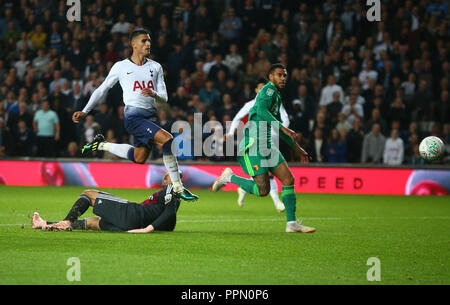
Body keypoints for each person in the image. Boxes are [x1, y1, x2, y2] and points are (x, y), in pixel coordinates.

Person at [72, 29, 197, 201]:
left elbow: (165, 97)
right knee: (168, 140)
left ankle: (101, 145)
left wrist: (154, 94)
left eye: (149, 41)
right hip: (132, 116)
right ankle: (177, 187)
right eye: (144, 41)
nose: (148, 44)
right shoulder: (121, 66)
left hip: (150, 117)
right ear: (134, 44)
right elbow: (102, 89)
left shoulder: (156, 67)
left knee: (139, 158)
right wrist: (85, 110)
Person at [213, 64, 315, 233]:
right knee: (263, 190)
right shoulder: (268, 91)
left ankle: (291, 224)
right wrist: (283, 128)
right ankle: (229, 177)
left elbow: (276, 126)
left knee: (288, 180)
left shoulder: (276, 96)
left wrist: (297, 148)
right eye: (279, 75)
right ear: (270, 76)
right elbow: (261, 110)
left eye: (285, 75)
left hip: (268, 145)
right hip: (254, 145)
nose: (283, 78)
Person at [32, 171, 183, 233]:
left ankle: (66, 222)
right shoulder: (171, 197)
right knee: (93, 222)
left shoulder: (173, 189)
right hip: (131, 225)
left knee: (88, 194)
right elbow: (170, 221)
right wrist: (149, 227)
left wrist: (148, 229)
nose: (168, 177)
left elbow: (169, 212)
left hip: (133, 214)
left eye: (174, 175)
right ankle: (46, 224)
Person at [225, 79, 288, 212]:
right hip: (255, 142)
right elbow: (237, 118)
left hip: (271, 141)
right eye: (260, 88)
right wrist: (230, 133)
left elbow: (285, 118)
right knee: (267, 172)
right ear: (256, 90)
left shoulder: (275, 102)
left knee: (264, 173)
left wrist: (282, 130)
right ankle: (277, 203)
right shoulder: (251, 104)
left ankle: (243, 188)